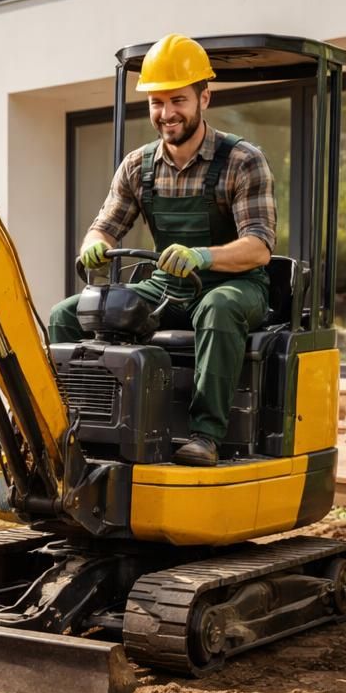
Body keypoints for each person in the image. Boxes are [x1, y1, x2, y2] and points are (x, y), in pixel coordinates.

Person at [50, 33, 275, 468]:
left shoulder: (243, 160)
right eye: (156, 102)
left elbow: (259, 248)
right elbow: (103, 228)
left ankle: (206, 435)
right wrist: (95, 247)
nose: (166, 113)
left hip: (237, 285)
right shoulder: (138, 165)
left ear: (203, 98)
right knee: (67, 315)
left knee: (218, 308)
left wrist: (203, 256)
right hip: (166, 286)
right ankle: (75, 424)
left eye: (178, 100)